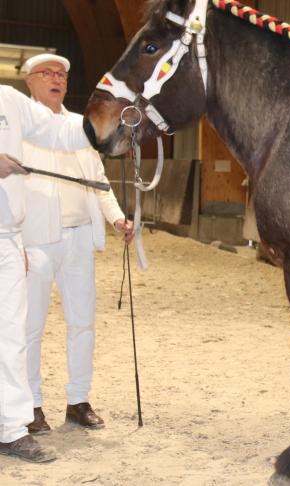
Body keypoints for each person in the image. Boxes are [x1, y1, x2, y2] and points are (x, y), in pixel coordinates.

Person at [20, 53, 133, 436]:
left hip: (78, 238)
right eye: (47, 73)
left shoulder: (80, 128)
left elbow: (98, 180)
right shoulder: (17, 127)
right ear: (29, 82)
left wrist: (117, 218)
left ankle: (78, 400)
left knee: (82, 323)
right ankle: (31, 405)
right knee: (30, 326)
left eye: (61, 75)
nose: (56, 79)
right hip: (33, 240)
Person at [1, 63, 92, 463]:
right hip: (24, 238)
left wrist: (115, 120)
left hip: (7, 235)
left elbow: (61, 130)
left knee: (11, 337)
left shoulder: (10, 100)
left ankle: (10, 428)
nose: (57, 80)